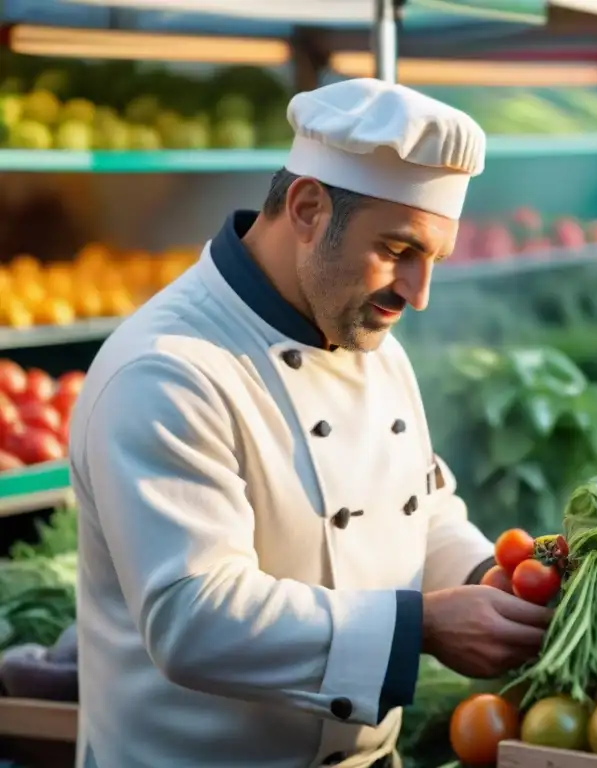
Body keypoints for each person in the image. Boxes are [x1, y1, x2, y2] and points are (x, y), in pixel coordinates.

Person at [68, 78, 552, 768]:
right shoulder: (167, 371)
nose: (418, 295)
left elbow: (419, 504)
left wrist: (487, 572)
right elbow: (194, 618)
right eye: (398, 250)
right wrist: (420, 629)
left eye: (433, 261)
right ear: (307, 207)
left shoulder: (369, 343)